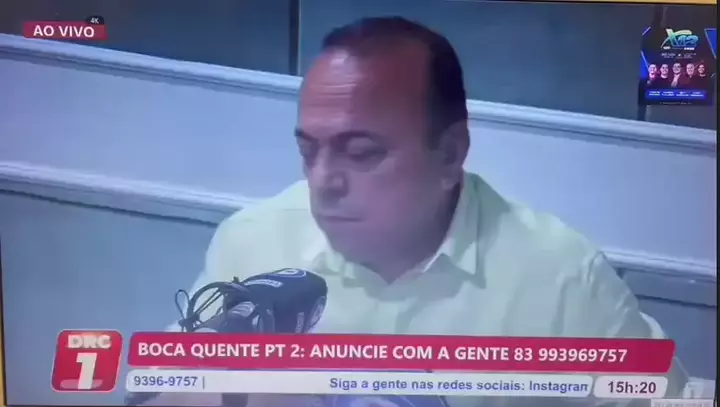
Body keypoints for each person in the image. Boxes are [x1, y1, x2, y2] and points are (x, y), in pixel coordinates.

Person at [140, 17, 688, 407]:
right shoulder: (253, 243)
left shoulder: (562, 278)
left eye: (361, 153)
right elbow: (158, 389)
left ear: (449, 154)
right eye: (309, 151)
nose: (323, 183)